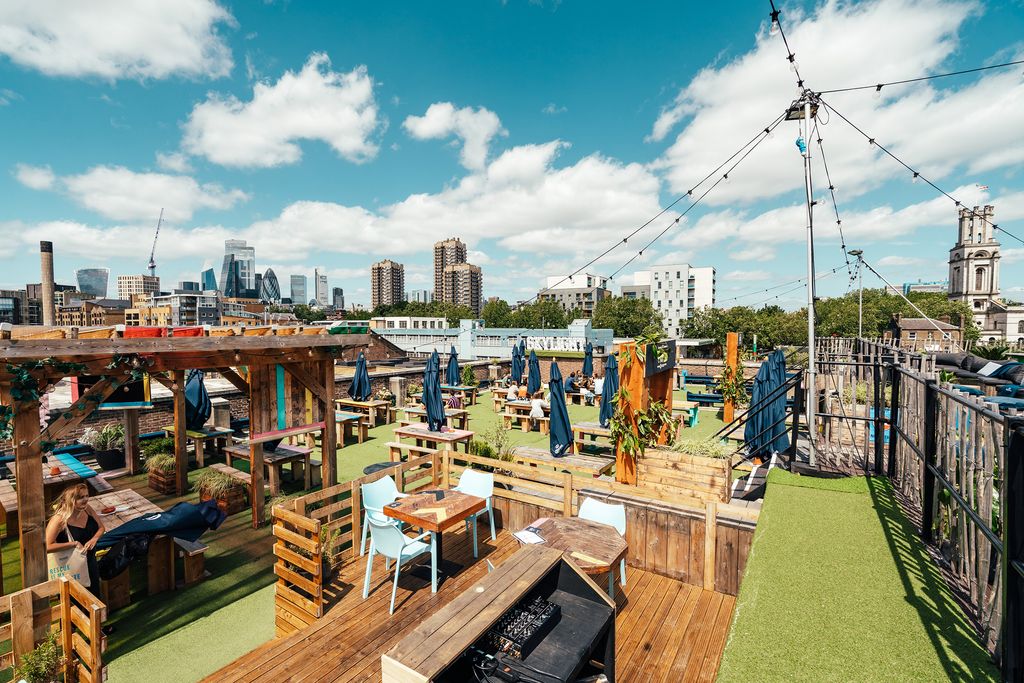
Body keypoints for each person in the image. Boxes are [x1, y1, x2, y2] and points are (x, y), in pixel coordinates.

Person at [46, 484, 114, 635]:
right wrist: (73, 544)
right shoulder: (59, 519)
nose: (85, 500)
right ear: (70, 500)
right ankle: (69, 636)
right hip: (70, 566)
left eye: (86, 496)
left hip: (89, 561)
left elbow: (101, 528)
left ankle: (96, 630)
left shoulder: (87, 509)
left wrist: (94, 539)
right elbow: (47, 546)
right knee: (71, 602)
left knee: (94, 596)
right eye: (80, 497)